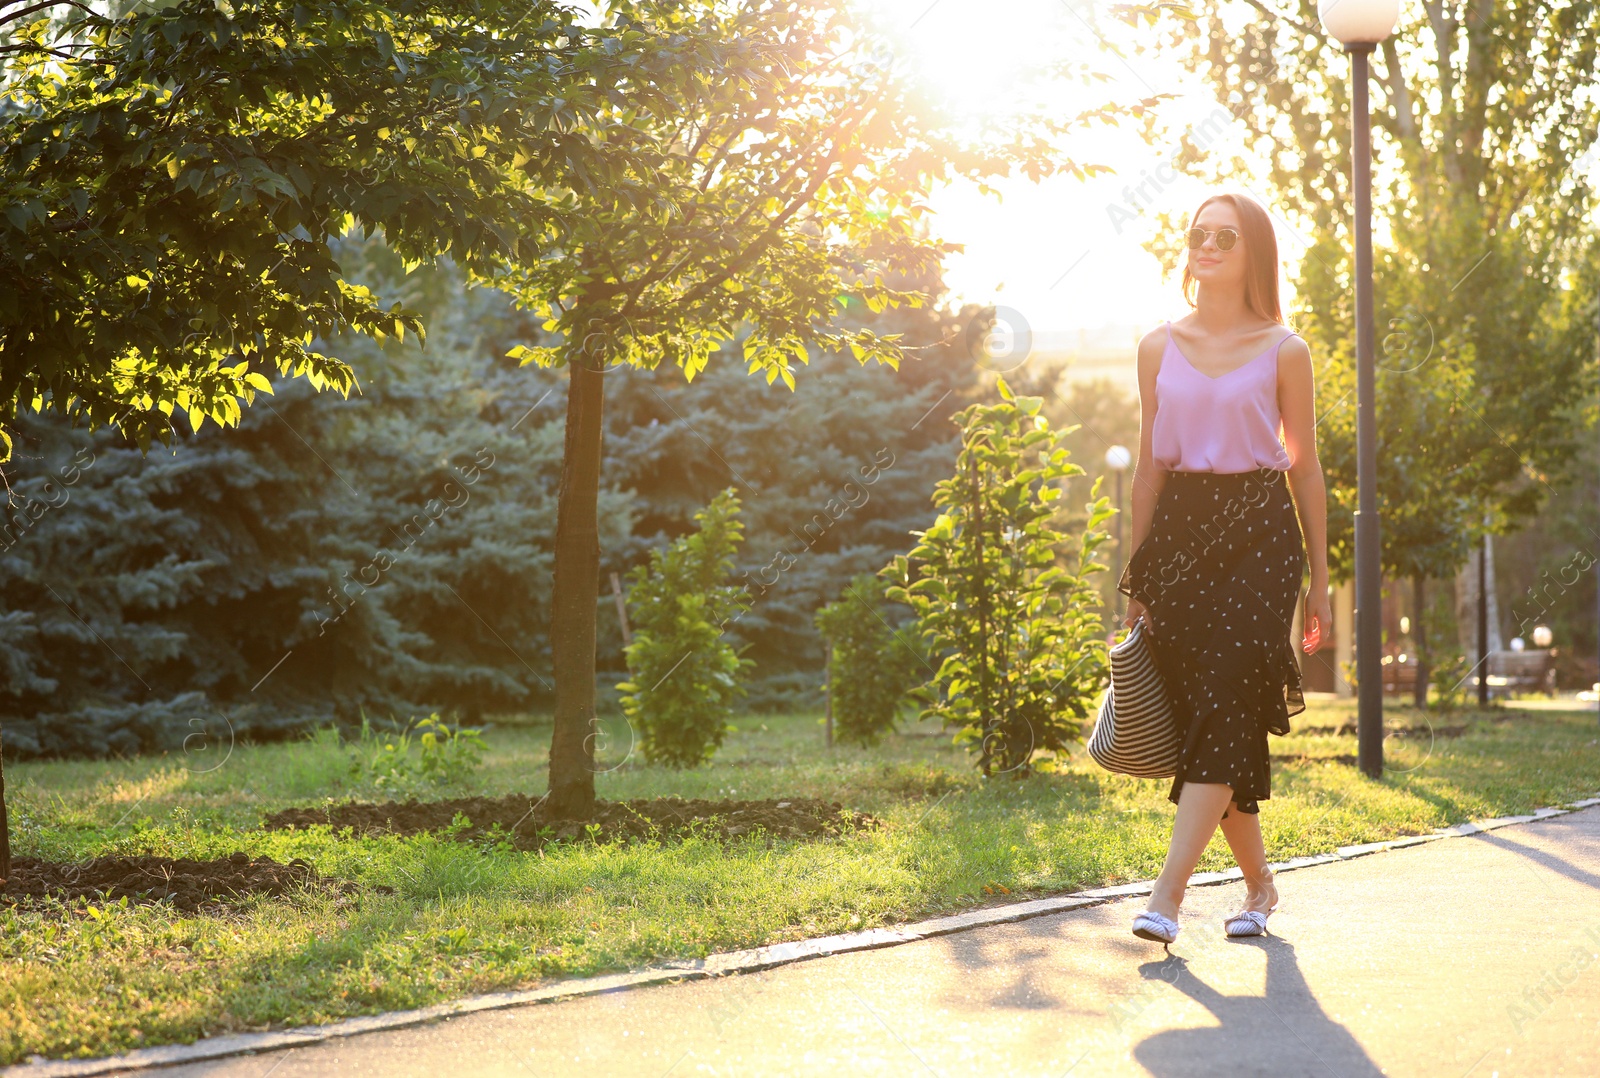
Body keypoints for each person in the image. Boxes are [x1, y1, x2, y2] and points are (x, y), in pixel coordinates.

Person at [1118, 191, 1332, 944]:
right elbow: (1147, 472)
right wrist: (1136, 580)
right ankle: (1260, 886)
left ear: (1253, 255)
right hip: (1177, 535)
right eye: (1198, 233)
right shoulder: (1155, 346)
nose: (1206, 245)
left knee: (1228, 687)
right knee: (1214, 713)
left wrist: (1321, 583)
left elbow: (1305, 471)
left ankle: (1168, 897)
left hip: (1259, 533)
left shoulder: (1286, 350)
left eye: (1225, 236)